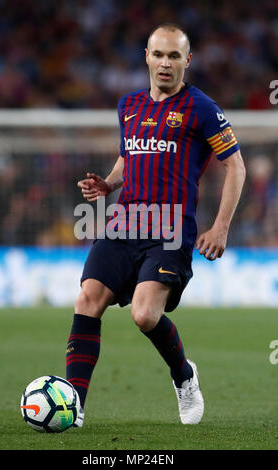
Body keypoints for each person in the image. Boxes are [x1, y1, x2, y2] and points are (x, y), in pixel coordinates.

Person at [66, 23, 246, 427]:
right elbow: (128, 158)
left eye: (174, 56)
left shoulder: (201, 108)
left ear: (188, 61)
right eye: (159, 54)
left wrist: (220, 227)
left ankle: (184, 376)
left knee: (145, 315)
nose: (165, 63)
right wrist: (109, 184)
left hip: (170, 228)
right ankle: (73, 403)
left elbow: (235, 166)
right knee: (87, 300)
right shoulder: (128, 106)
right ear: (146, 56)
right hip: (125, 222)